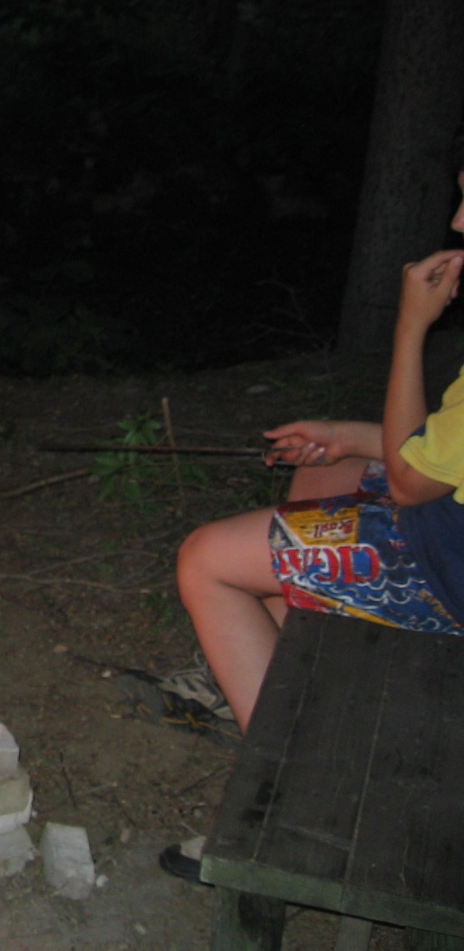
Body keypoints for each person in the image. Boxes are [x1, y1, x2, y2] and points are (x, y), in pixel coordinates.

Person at [165, 183, 464, 880]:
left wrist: (410, 328)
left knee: (205, 559)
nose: (456, 220)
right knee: (322, 479)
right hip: (446, 522)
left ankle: (295, 799)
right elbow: (438, 454)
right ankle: (300, 700)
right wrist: (344, 437)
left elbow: (410, 483)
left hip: (444, 567)